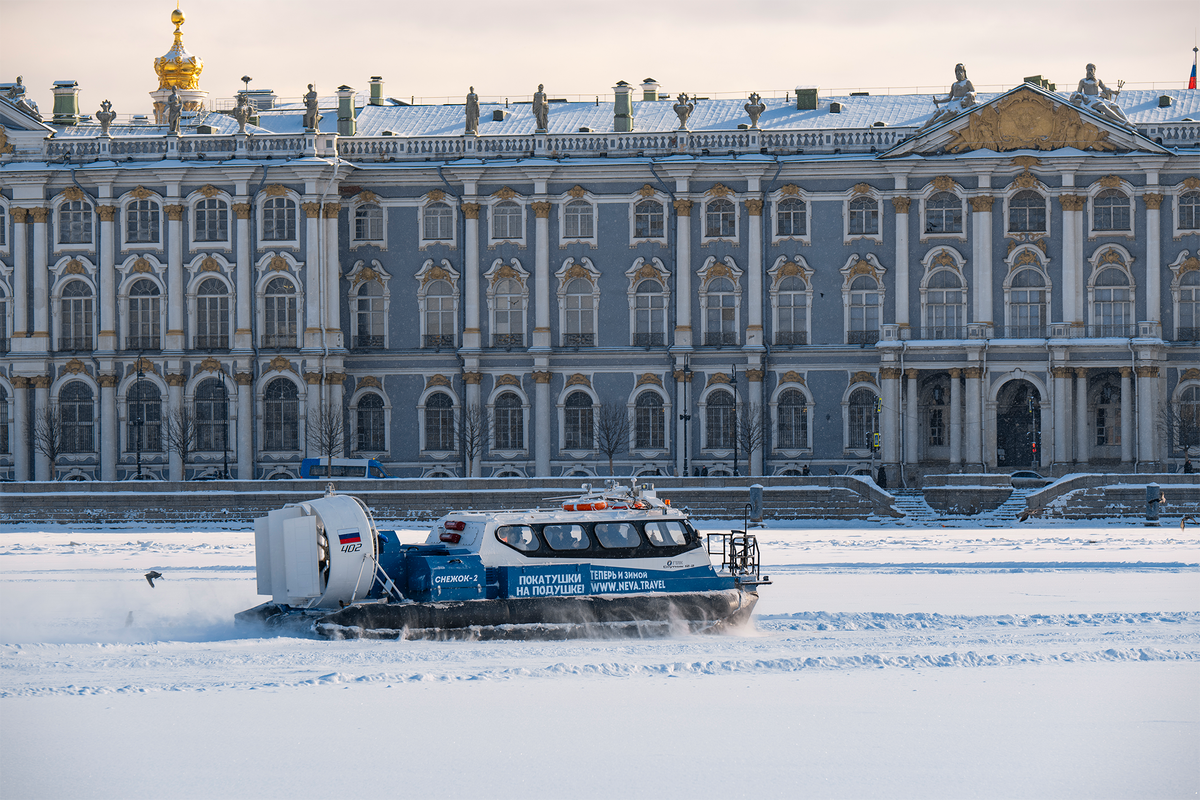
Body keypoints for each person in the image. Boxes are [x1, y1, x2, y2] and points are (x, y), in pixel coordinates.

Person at [919, 63, 976, 131]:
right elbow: (949, 98)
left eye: (961, 71)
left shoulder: (967, 82)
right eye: (957, 71)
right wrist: (938, 101)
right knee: (937, 112)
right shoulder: (954, 84)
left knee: (941, 118)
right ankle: (924, 127)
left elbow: (974, 92)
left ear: (964, 72)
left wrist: (970, 94)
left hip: (958, 106)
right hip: (951, 104)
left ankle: (930, 129)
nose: (959, 73)